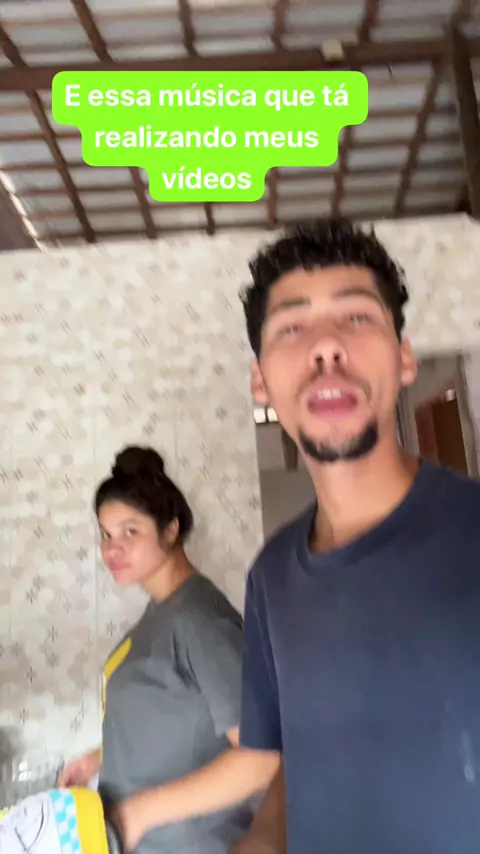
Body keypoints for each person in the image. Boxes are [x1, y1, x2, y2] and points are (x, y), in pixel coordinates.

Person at [235, 218, 480, 854]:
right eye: (292, 328)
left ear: (404, 359)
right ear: (260, 381)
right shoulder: (269, 578)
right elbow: (293, 765)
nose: (326, 347)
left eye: (356, 318)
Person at [59, 446, 279, 854]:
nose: (112, 549)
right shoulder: (160, 613)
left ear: (170, 530)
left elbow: (261, 760)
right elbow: (173, 720)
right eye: (105, 534)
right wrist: (98, 758)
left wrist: (138, 814)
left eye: (130, 531)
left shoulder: (201, 622)